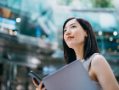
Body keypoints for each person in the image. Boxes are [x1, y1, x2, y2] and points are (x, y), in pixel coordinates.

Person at [32, 17, 119, 90]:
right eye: (65, 30)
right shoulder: (71, 69)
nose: (67, 32)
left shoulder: (96, 60)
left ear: (86, 32)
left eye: (73, 26)